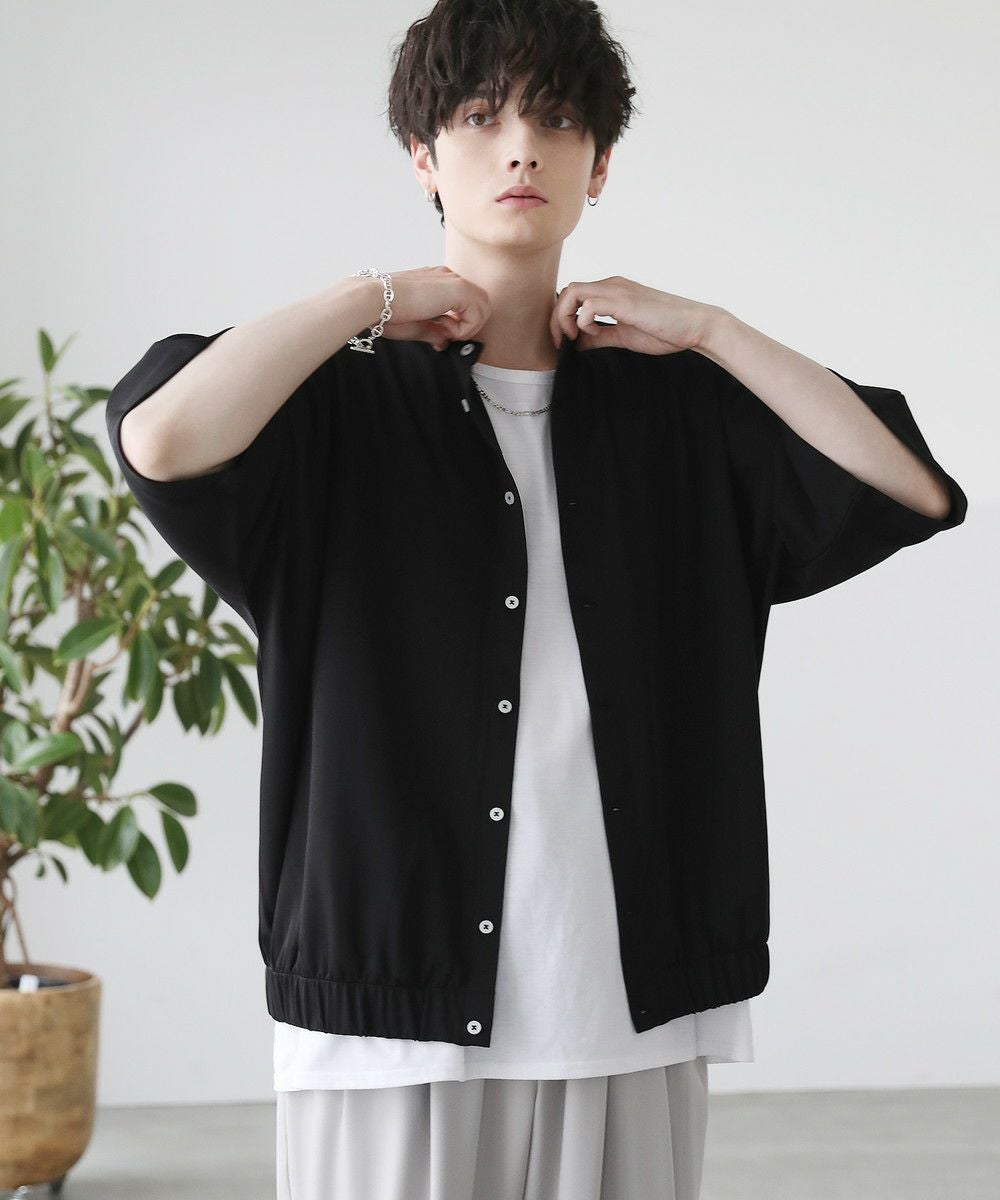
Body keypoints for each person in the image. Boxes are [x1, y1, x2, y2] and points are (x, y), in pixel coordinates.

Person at [103, 1, 967, 1197]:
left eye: (556, 120)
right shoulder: (333, 403)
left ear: (598, 164)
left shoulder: (673, 407)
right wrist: (368, 300)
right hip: (388, 1008)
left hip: (626, 998)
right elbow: (159, 438)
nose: (520, 147)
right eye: (478, 117)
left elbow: (910, 484)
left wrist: (707, 329)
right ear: (423, 157)